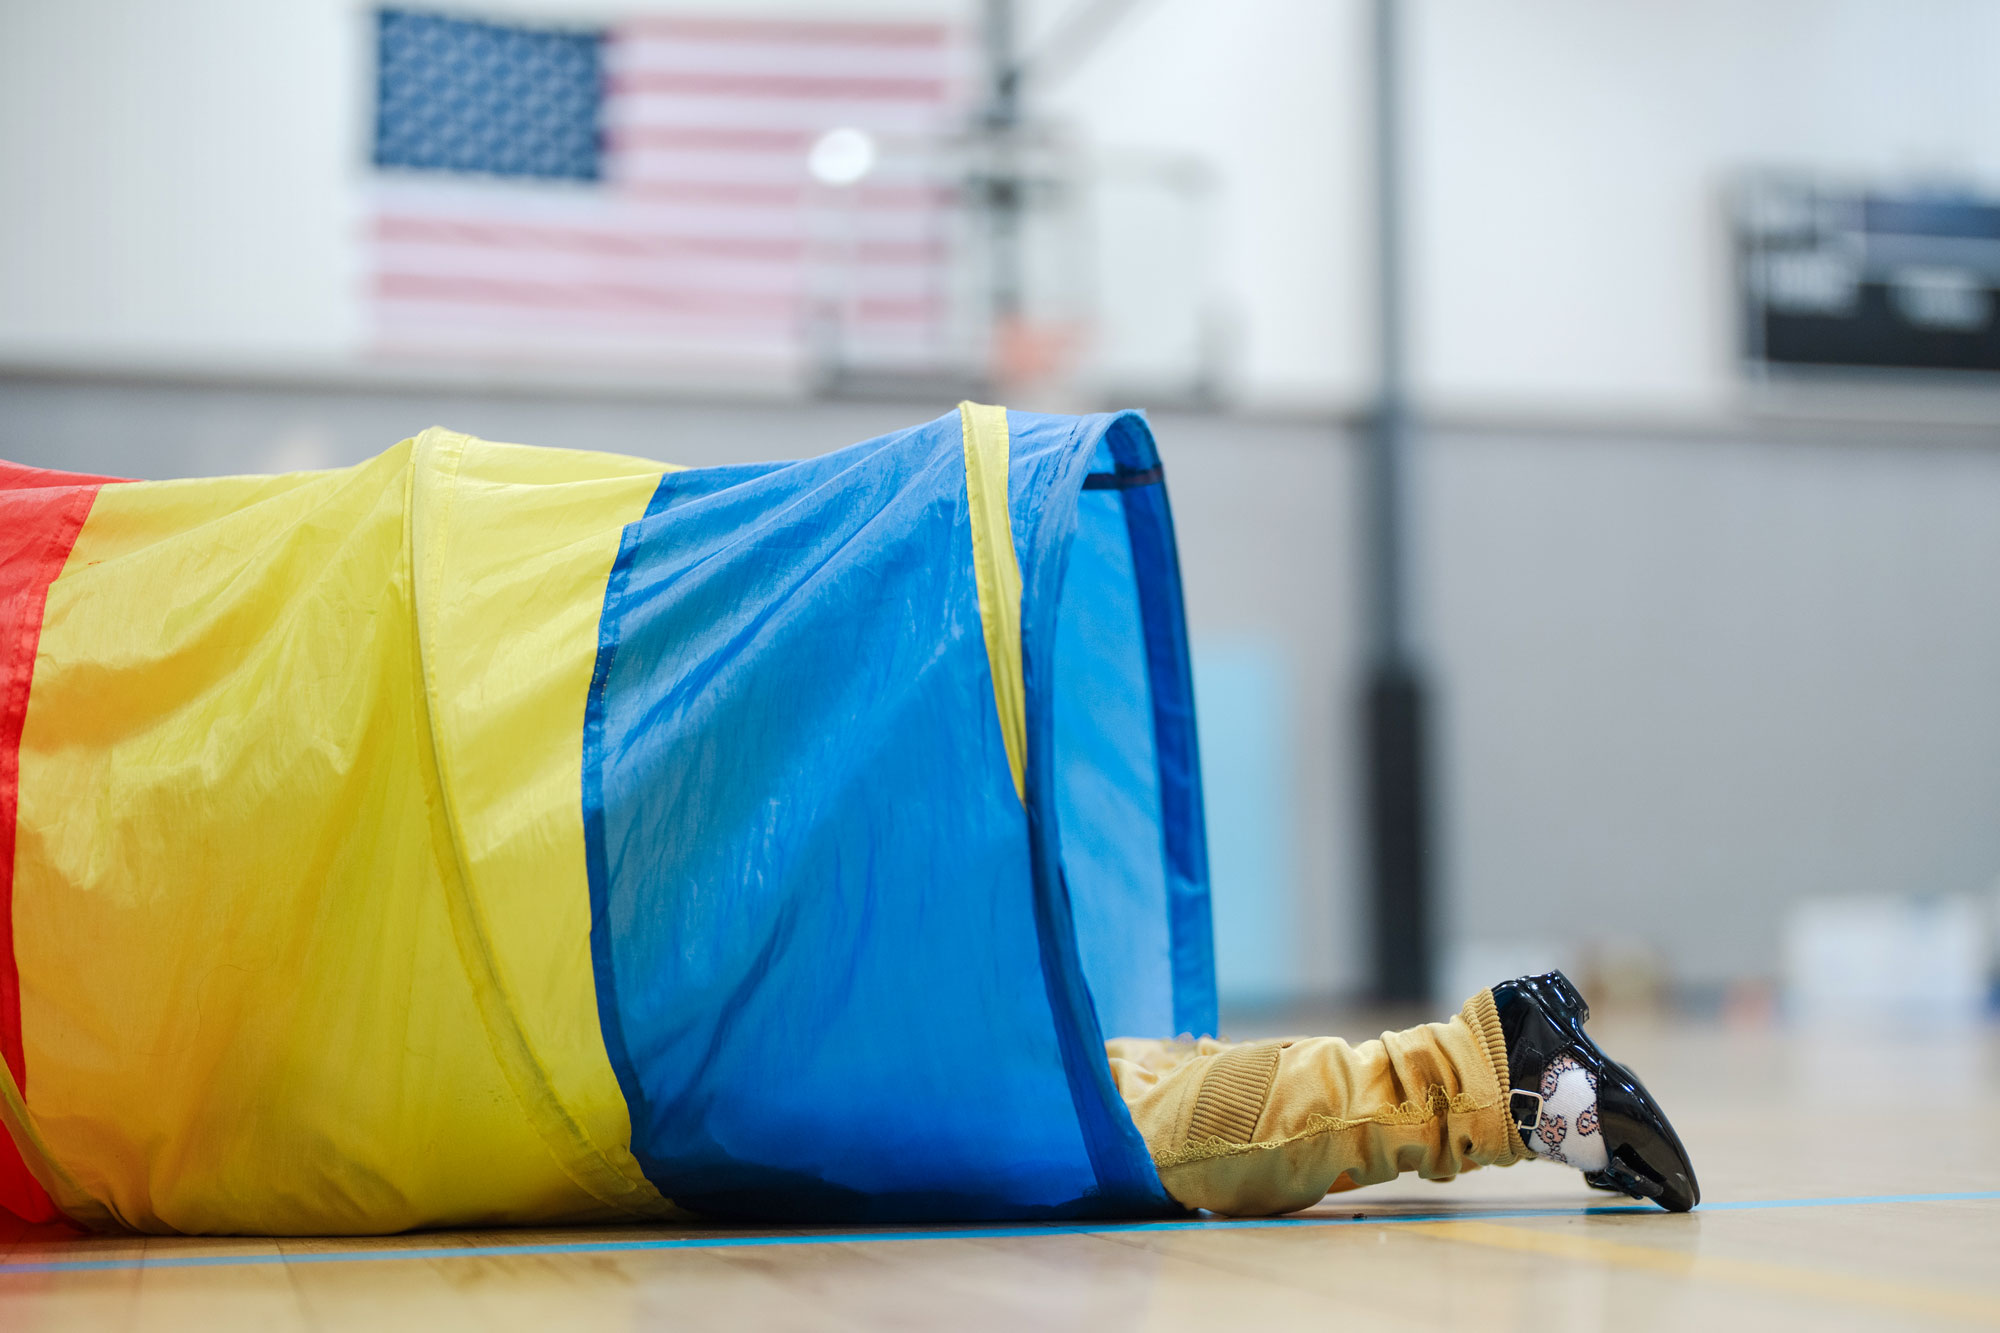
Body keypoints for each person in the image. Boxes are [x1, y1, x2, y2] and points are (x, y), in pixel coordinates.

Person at [0, 410, 1694, 1234]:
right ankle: (1470, 1076)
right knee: (1012, 1104)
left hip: (510, 878)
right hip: (508, 858)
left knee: (1002, 1118)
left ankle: (1472, 1081)